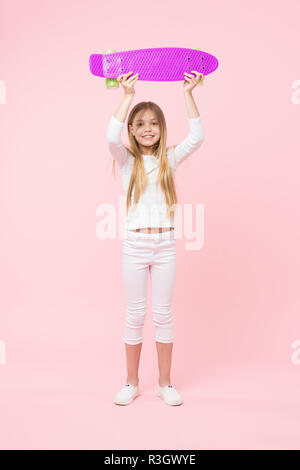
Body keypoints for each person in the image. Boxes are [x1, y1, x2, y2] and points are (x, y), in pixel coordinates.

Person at [106, 69, 205, 406]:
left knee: (163, 314)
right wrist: (127, 97)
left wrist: (188, 93)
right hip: (135, 246)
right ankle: (131, 383)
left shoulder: (169, 159)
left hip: (164, 247)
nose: (148, 128)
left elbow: (197, 136)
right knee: (135, 314)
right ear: (132, 131)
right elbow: (109, 137)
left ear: (162, 129)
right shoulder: (126, 160)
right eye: (140, 123)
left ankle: (165, 383)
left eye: (154, 123)